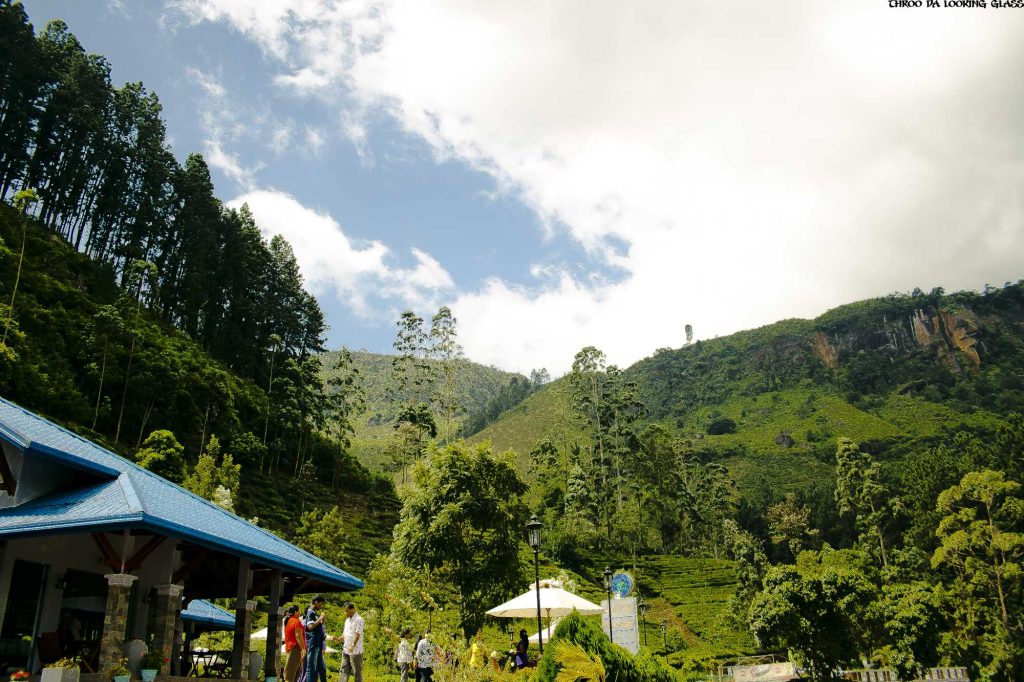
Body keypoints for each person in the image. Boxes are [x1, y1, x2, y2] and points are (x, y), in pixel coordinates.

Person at [304, 595, 328, 682]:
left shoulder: (314, 613)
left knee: (322, 668)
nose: (321, 606)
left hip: (318, 643)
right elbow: (310, 626)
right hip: (313, 643)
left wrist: (322, 620)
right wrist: (320, 618)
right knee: (311, 668)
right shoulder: (310, 612)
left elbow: (318, 627)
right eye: (321, 604)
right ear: (316, 602)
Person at [339, 602, 364, 682]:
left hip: (355, 651)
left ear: (352, 610)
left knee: (357, 672)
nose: (345, 613)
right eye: (344, 611)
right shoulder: (347, 621)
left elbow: (357, 634)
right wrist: (340, 639)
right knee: (343, 670)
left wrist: (352, 645)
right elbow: (345, 635)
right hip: (346, 650)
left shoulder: (359, 620)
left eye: (346, 611)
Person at [283, 605, 306, 682]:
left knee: (296, 672)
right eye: (299, 611)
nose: (300, 612)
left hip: (291, 648)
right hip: (295, 648)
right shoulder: (296, 621)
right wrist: (303, 648)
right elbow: (298, 635)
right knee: (291, 673)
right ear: (295, 612)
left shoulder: (289, 621)